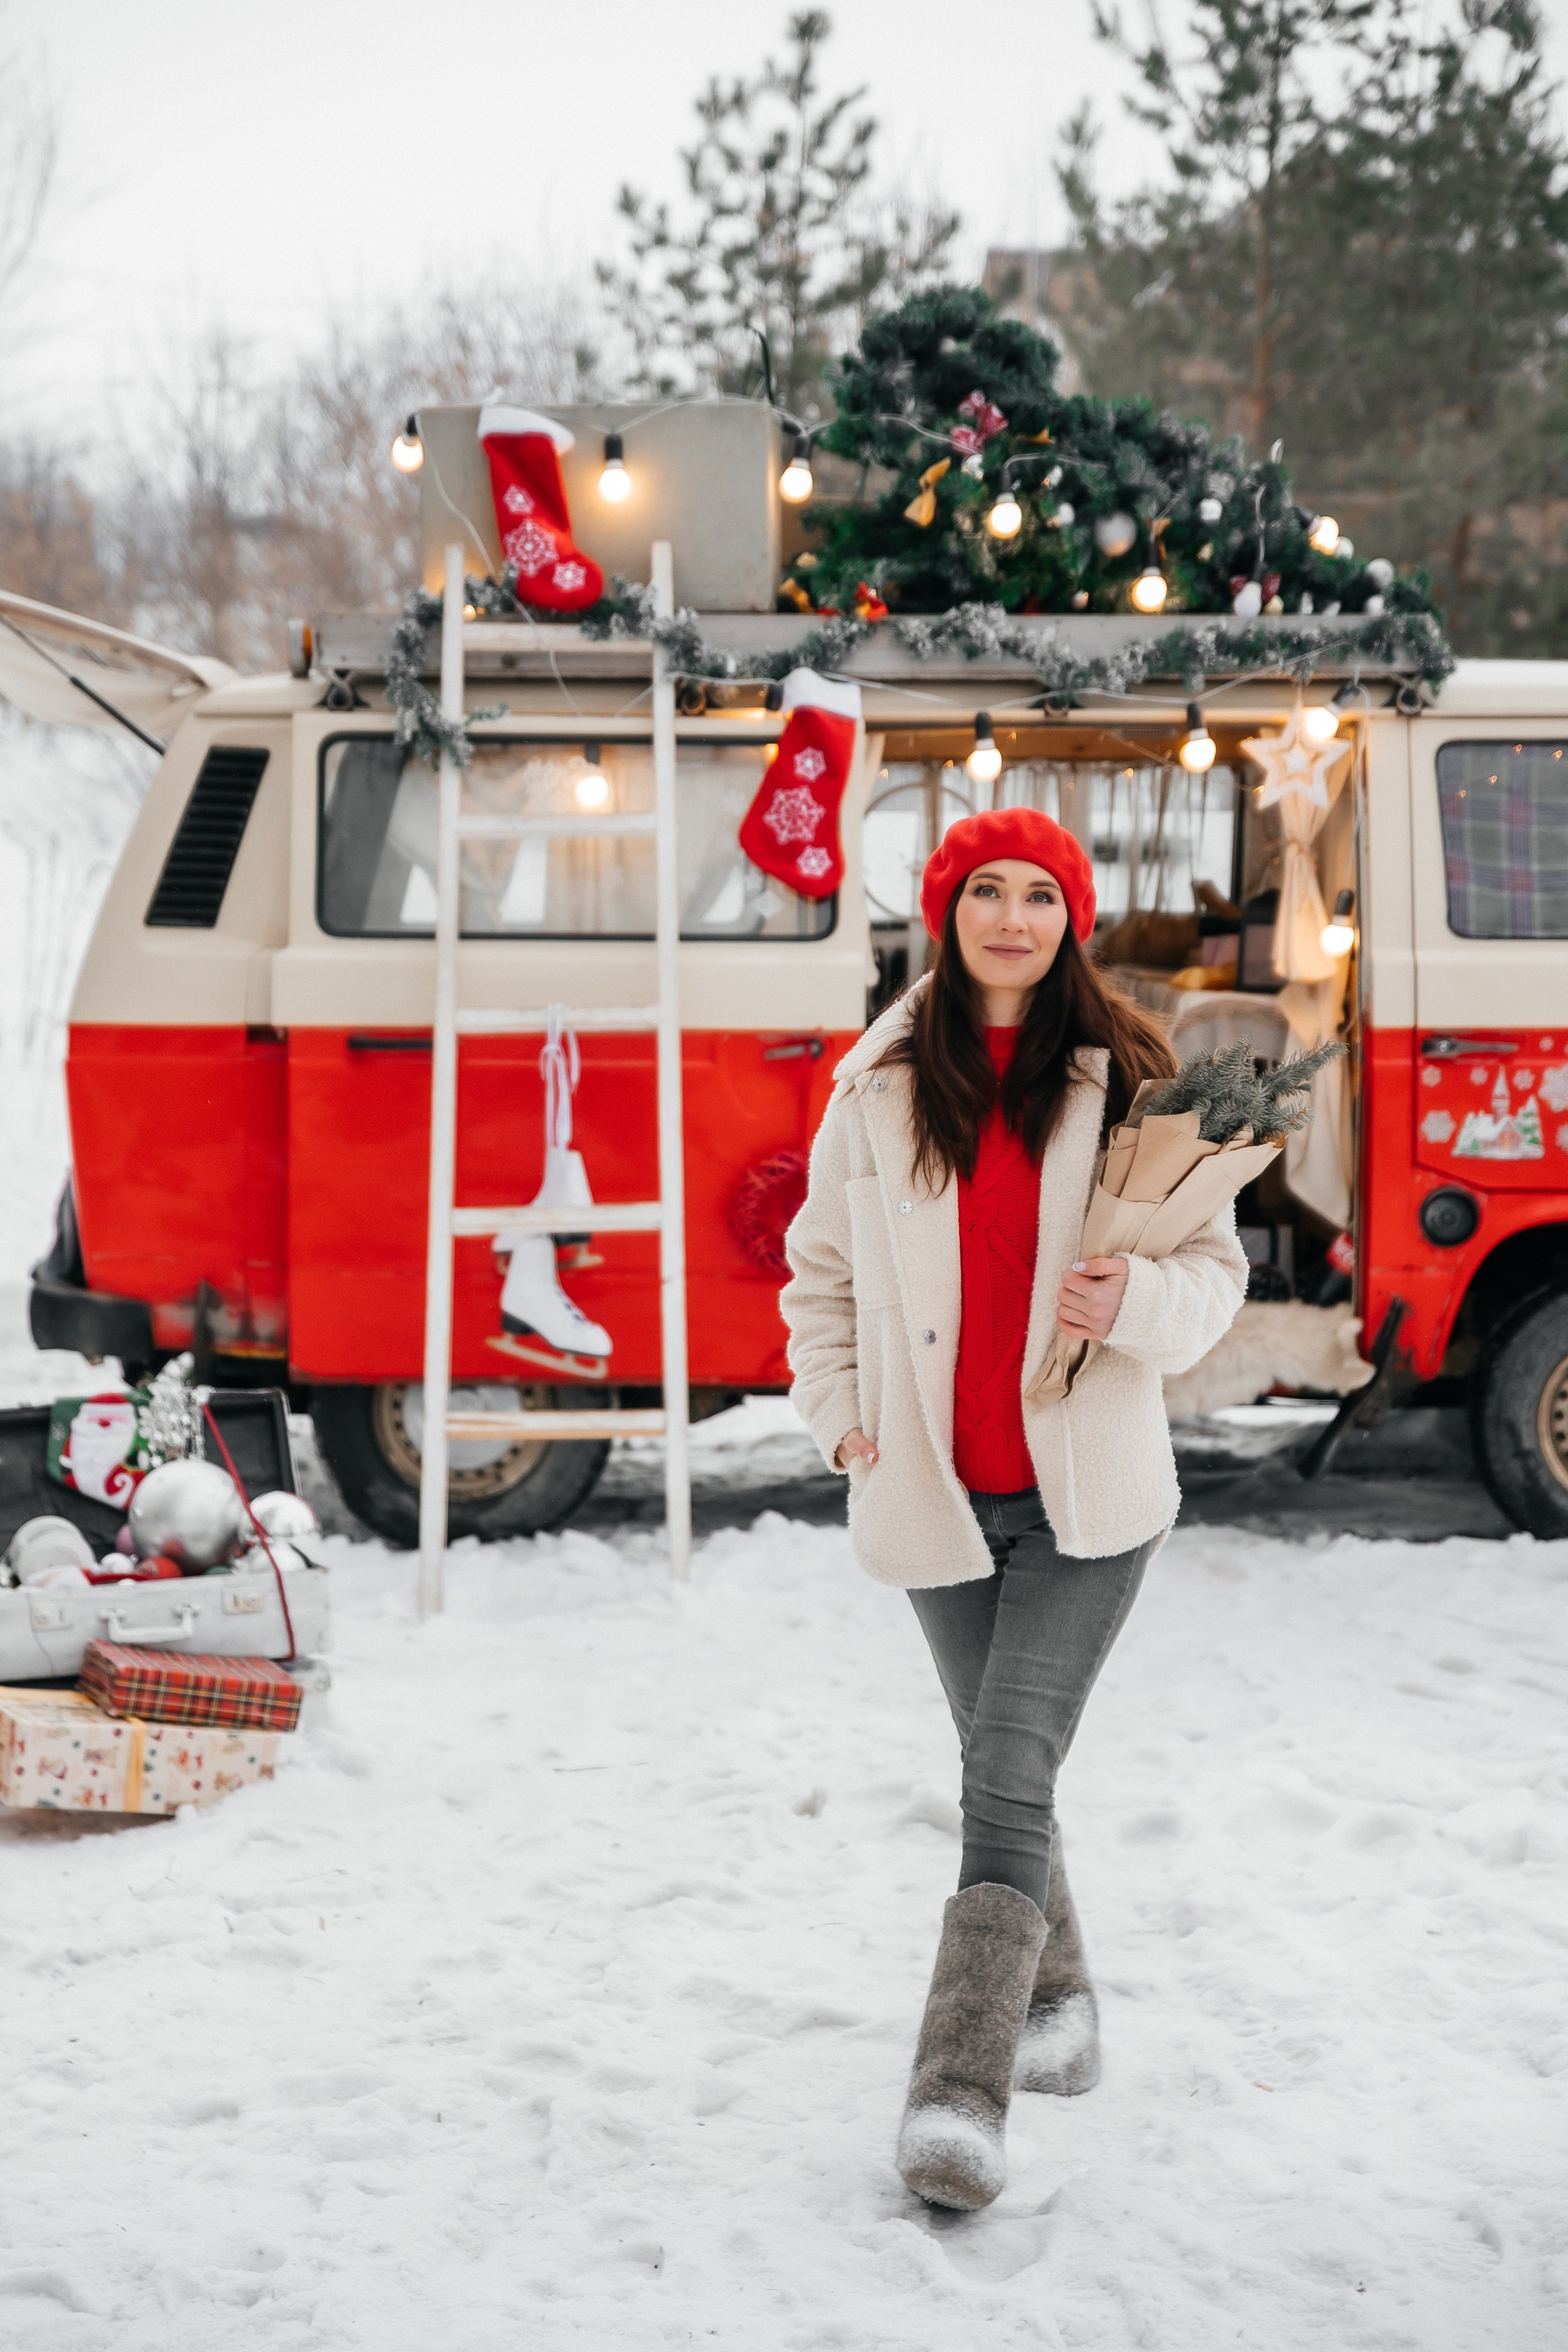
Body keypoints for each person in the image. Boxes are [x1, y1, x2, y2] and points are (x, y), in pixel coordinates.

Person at [782, 807, 1248, 2212]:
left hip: (1086, 1498)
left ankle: (955, 2095)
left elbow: (1213, 1275)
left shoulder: (1134, 1081)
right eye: (982, 891)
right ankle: (1060, 2010)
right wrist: (835, 1414)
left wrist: (1139, 1301)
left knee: (1001, 1777)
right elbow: (819, 1280)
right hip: (931, 1486)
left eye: (1036, 895)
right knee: (1004, 1765)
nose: (1009, 918)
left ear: (1070, 917)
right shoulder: (874, 1085)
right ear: (944, 912)